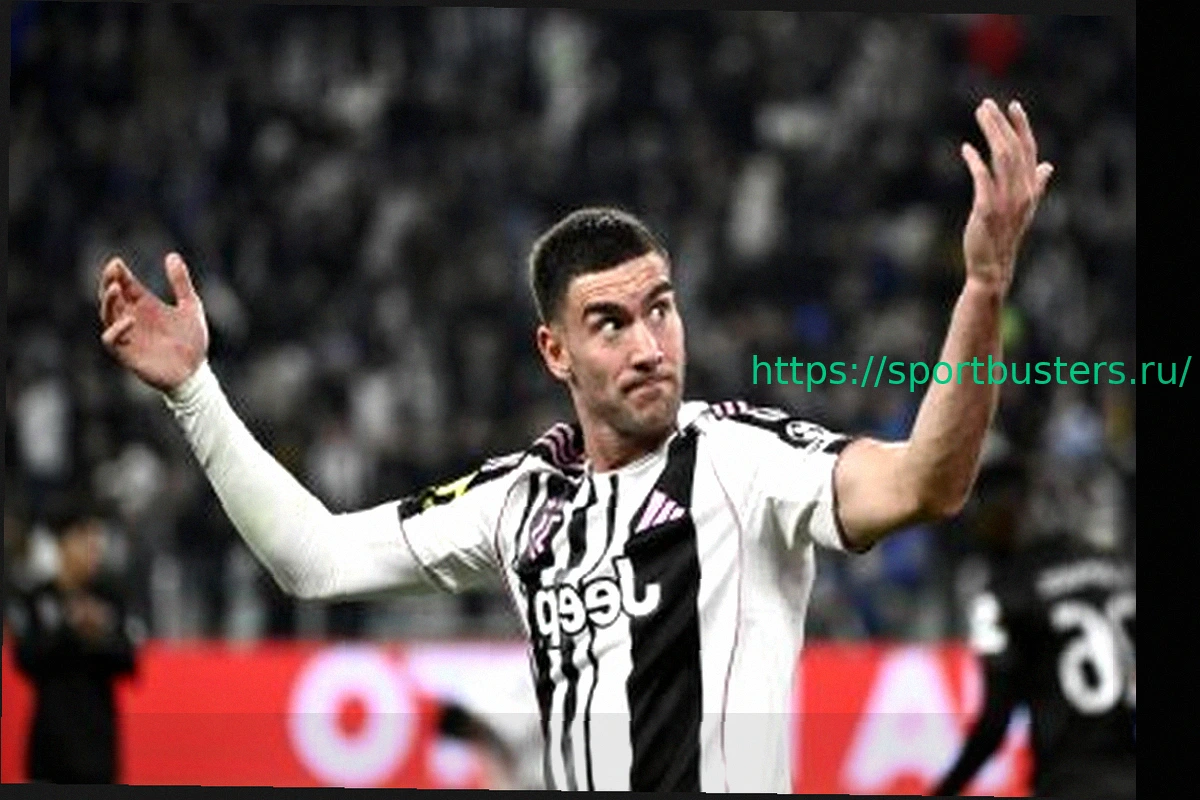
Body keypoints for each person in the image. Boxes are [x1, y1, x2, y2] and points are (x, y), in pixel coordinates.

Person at [97, 98, 1052, 792]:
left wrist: (982, 288)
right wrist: (192, 390)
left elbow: (927, 483)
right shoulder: (521, 501)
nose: (649, 346)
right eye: (610, 323)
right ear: (555, 351)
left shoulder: (745, 460)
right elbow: (316, 559)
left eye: (661, 309)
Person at [933, 466, 1136, 799]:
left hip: (1070, 780)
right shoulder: (1115, 568)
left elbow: (994, 724)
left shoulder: (1003, 594)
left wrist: (945, 790)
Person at [6, 493, 139, 784]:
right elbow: (25, 659)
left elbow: (129, 662)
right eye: (84, 539)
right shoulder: (36, 599)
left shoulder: (110, 598)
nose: (93, 550)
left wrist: (99, 634)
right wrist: (69, 628)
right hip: (50, 747)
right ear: (61, 543)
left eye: (96, 541)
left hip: (99, 747)